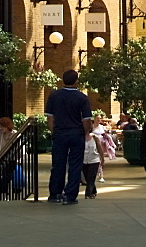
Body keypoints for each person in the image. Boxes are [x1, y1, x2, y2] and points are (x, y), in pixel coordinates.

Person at [45, 68, 93, 204]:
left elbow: (50, 118)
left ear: (63, 80)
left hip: (60, 133)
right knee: (75, 165)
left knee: (58, 164)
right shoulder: (82, 98)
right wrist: (84, 132)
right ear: (76, 81)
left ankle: (55, 194)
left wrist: (53, 132)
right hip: (76, 134)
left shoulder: (54, 96)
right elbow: (86, 119)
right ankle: (70, 195)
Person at [82, 125, 105, 199]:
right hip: (84, 161)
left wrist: (102, 159)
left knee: (91, 177)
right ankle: (93, 191)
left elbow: (100, 149)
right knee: (87, 178)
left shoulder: (95, 138)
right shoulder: (80, 138)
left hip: (94, 160)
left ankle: (88, 193)